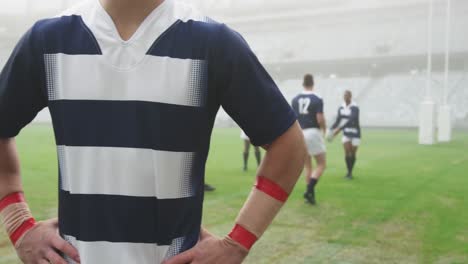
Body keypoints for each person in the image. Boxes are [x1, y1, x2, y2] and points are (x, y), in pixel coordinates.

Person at [0, 0, 307, 263]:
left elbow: (289, 145)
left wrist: (236, 243)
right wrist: (18, 224)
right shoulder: (48, 40)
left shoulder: (212, 43)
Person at [291, 74, 327, 205]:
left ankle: (310, 196)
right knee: (322, 164)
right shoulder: (317, 98)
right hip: (313, 131)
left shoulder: (295, 99)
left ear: (303, 83)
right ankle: (310, 189)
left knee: (308, 167)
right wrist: (324, 129)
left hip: (301, 133)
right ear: (313, 83)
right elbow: (320, 118)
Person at [329, 90, 361, 179]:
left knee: (353, 153)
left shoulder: (355, 107)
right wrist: (331, 129)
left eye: (347, 96)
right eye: (344, 96)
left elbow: (352, 119)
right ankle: (349, 172)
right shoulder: (341, 107)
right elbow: (338, 120)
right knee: (347, 152)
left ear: (350, 97)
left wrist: (339, 129)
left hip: (355, 132)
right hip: (346, 132)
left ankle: (350, 171)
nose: (345, 97)